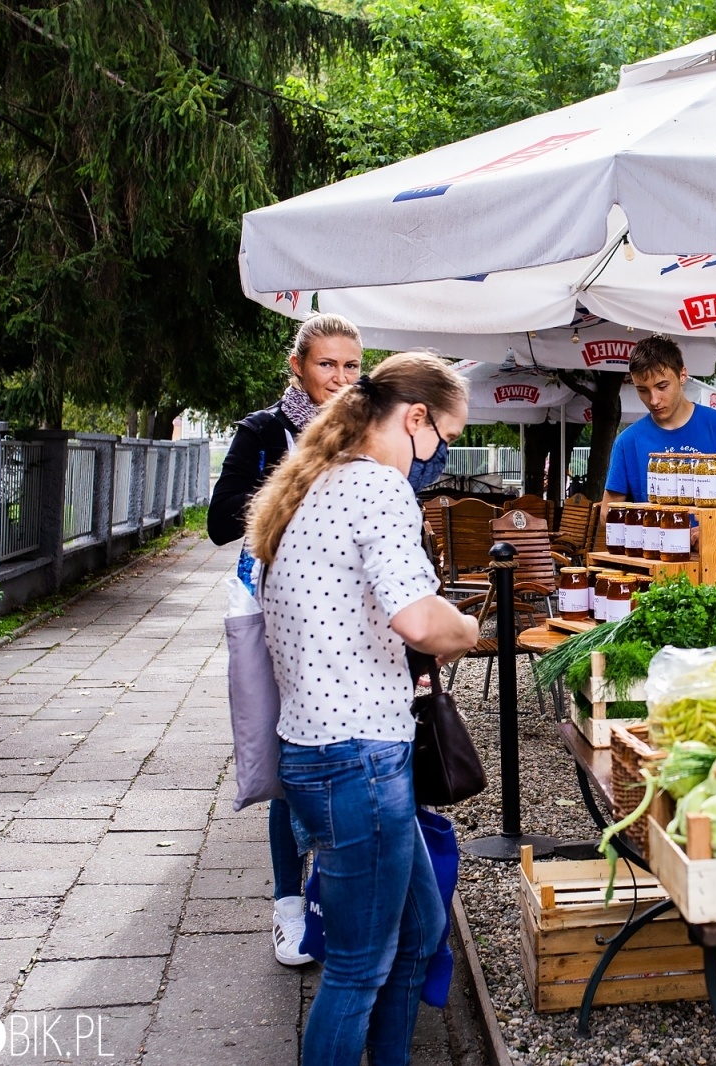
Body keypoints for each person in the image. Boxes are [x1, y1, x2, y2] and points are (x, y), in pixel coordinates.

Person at [246, 350, 479, 1066]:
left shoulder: (313, 483)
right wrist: (468, 630)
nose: (440, 454)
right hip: (359, 761)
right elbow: (417, 619)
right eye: (444, 437)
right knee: (356, 967)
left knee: (419, 930)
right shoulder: (379, 488)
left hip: (322, 750)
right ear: (414, 419)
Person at [208, 312, 362, 966]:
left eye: (352, 366)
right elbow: (220, 524)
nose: (341, 377)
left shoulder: (367, 434)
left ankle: (333, 895)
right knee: (288, 757)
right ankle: (287, 904)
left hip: (348, 612)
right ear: (298, 365)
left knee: (342, 749)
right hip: (275, 612)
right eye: (328, 364)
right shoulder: (266, 432)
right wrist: (295, 481)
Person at [602, 336, 716, 533]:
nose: (653, 400)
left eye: (662, 386)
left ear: (682, 375)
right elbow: (607, 514)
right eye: (642, 390)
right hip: (658, 559)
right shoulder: (628, 442)